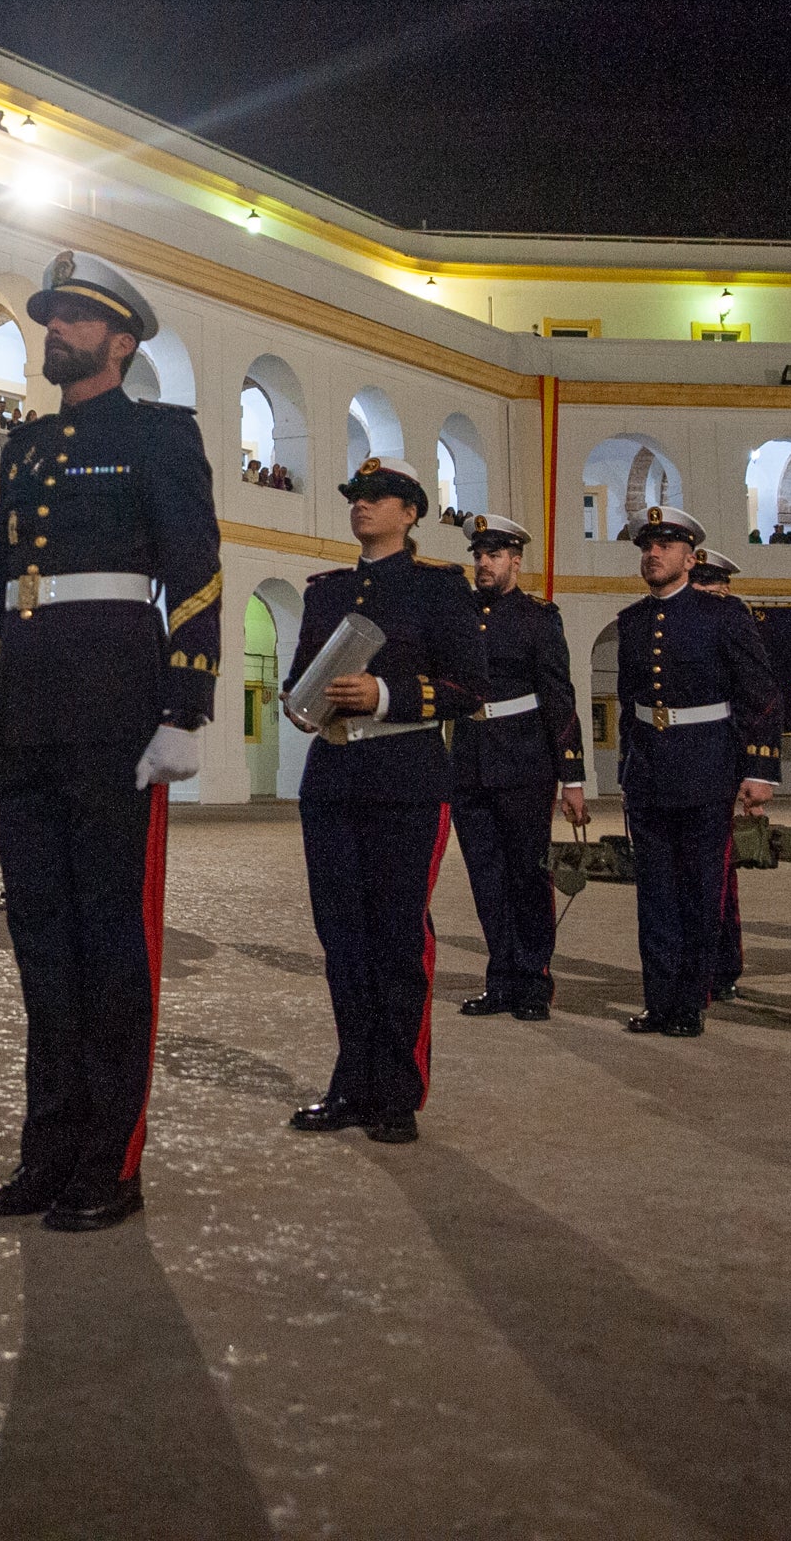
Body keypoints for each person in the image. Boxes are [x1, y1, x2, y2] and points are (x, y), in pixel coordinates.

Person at [0, 250, 221, 1233]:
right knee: (42, 943)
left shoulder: (158, 435)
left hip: (116, 707)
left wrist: (183, 707)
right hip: (30, 711)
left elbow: (195, 570)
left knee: (112, 944)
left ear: (119, 341)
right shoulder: (25, 448)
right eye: (51, 318)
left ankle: (109, 1161)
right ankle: (48, 1151)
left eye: (74, 319)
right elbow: (2, 594)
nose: (54, 331)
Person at [281, 456, 485, 1145]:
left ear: (411, 512)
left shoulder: (441, 590)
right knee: (342, 941)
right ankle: (352, 1082)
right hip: (333, 777)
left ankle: (396, 1091)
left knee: (397, 938)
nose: (361, 506)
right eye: (355, 497)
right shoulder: (324, 591)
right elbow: (296, 681)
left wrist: (386, 695)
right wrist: (299, 703)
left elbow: (470, 689)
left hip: (406, 776)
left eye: (377, 497)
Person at [608, 507, 783, 1036]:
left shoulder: (723, 616)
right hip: (649, 774)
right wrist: (626, 769)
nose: (653, 554)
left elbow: (761, 695)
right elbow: (628, 700)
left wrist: (760, 770)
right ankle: (658, 1001)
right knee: (654, 894)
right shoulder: (632, 621)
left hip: (707, 767)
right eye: (647, 546)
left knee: (700, 890)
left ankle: (690, 1002)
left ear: (689, 556)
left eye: (664, 546)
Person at [448, 514, 588, 1020]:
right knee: (486, 877)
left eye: (493, 555)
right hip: (468, 759)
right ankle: (501, 977)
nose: (483, 564)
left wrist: (571, 777)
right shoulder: (459, 613)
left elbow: (559, 697)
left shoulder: (538, 617)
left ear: (515, 560)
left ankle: (534, 980)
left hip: (525, 762)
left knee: (528, 876)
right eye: (478, 555)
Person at [685, 547, 759, 1003]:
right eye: (701, 585)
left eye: (713, 586)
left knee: (718, 873)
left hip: (719, 758)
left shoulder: (732, 621)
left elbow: (752, 697)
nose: (707, 593)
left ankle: (723, 964)